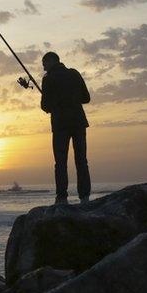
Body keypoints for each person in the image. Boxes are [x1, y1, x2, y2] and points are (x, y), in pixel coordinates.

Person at [39, 51, 91, 205]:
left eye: (44, 65)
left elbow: (45, 106)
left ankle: (62, 198)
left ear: (50, 62)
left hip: (61, 124)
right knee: (81, 160)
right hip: (78, 122)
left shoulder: (48, 79)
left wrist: (55, 104)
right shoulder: (74, 74)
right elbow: (86, 98)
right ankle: (85, 198)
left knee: (60, 162)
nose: (44, 68)